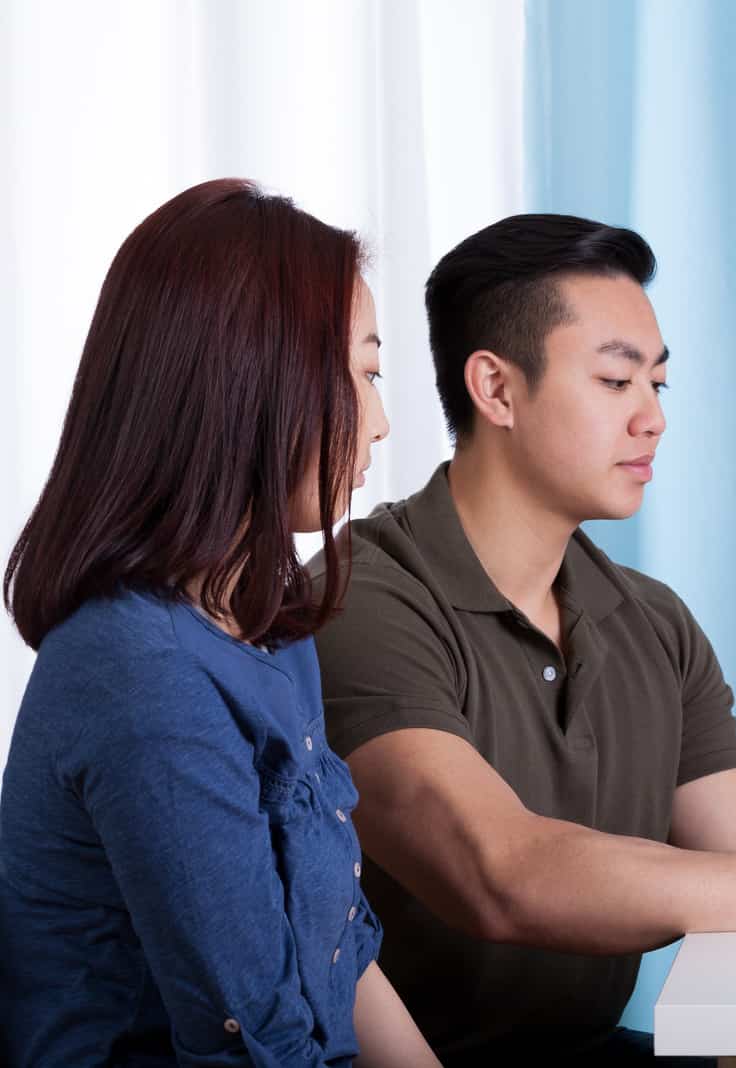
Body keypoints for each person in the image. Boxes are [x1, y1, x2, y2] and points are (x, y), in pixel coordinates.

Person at [308, 213, 736, 1063]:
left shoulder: (653, 623)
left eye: (657, 387)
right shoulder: (360, 599)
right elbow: (499, 872)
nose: (652, 419)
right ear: (496, 388)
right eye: (614, 382)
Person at [0, 179, 437, 1066]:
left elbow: (342, 951)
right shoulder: (145, 676)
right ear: (250, 378)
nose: (382, 423)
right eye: (365, 372)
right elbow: (257, 1047)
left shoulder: (267, 625)